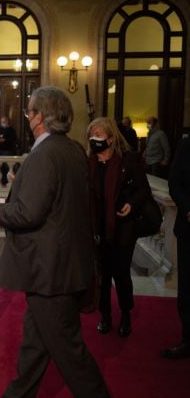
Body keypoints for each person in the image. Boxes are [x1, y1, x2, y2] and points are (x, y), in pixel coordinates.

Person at [0, 86, 109, 397]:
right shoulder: (71, 150)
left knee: (71, 354)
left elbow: (27, 214)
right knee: (34, 345)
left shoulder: (44, 155)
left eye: (30, 110)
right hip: (63, 266)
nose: (27, 116)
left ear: (39, 117)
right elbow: (55, 205)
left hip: (50, 272)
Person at [86, 117, 150, 338]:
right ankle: (105, 315)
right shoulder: (89, 162)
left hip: (122, 228)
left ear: (111, 139)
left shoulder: (128, 161)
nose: (94, 139)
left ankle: (125, 314)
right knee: (102, 277)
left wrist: (130, 204)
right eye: (91, 135)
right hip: (98, 229)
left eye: (99, 135)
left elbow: (143, 190)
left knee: (121, 275)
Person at [161, 136, 190, 359]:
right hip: (188, 228)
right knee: (187, 289)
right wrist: (187, 208)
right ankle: (187, 340)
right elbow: (174, 182)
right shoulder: (186, 145)